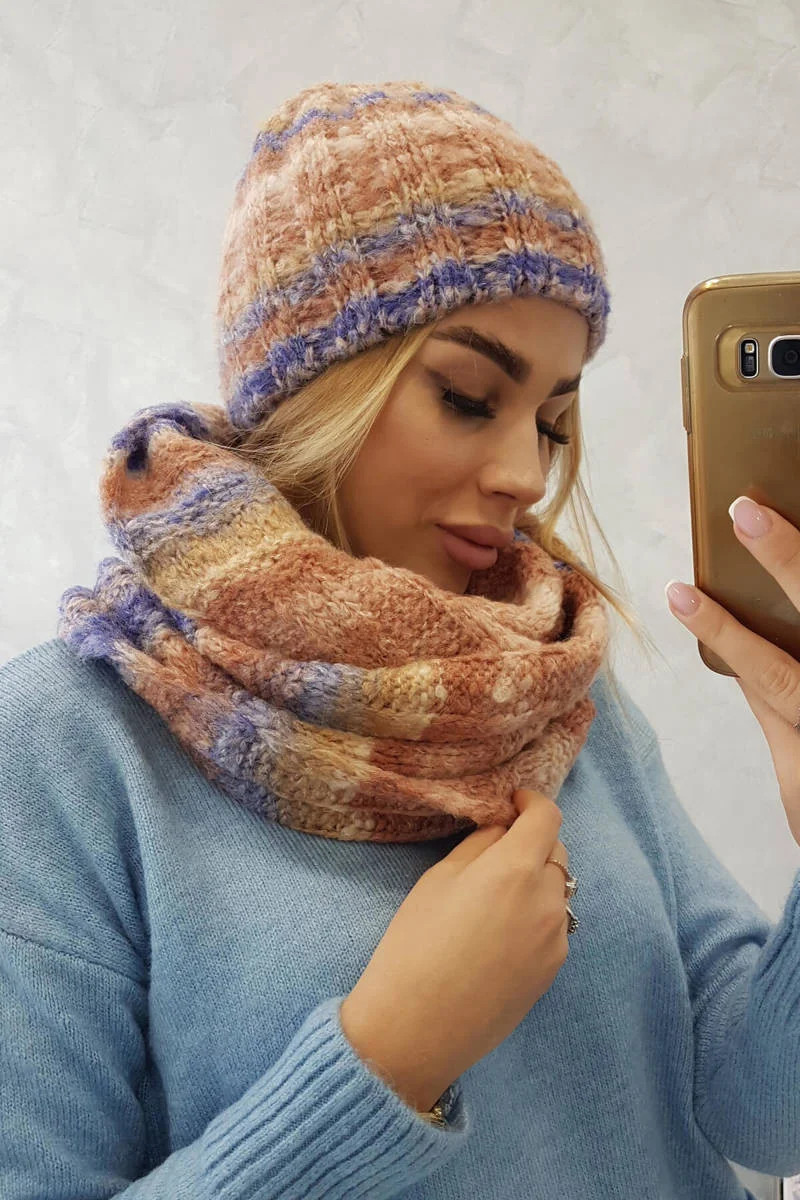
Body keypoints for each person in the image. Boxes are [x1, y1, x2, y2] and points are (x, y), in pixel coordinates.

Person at [0, 79, 793, 1199]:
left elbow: (763, 1111)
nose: (525, 474)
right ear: (314, 387)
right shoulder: (67, 750)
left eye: (551, 420)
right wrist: (388, 1059)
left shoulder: (549, 686)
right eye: (469, 396)